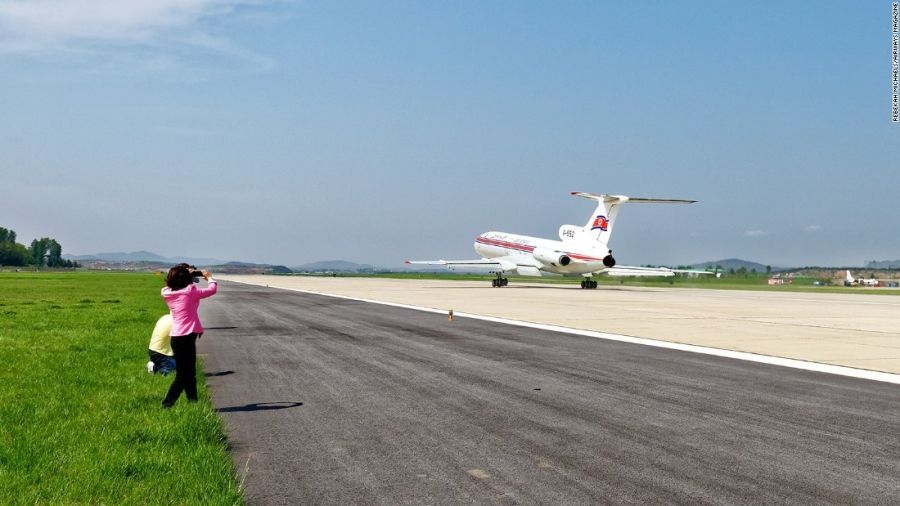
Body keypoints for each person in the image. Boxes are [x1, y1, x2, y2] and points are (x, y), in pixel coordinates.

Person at [160, 264, 218, 408]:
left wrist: (187, 275)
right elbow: (212, 289)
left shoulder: (167, 293)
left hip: (177, 337)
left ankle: (193, 403)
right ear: (186, 279)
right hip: (187, 337)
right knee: (183, 375)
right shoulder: (190, 292)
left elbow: (172, 286)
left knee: (189, 373)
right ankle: (167, 404)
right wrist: (209, 277)